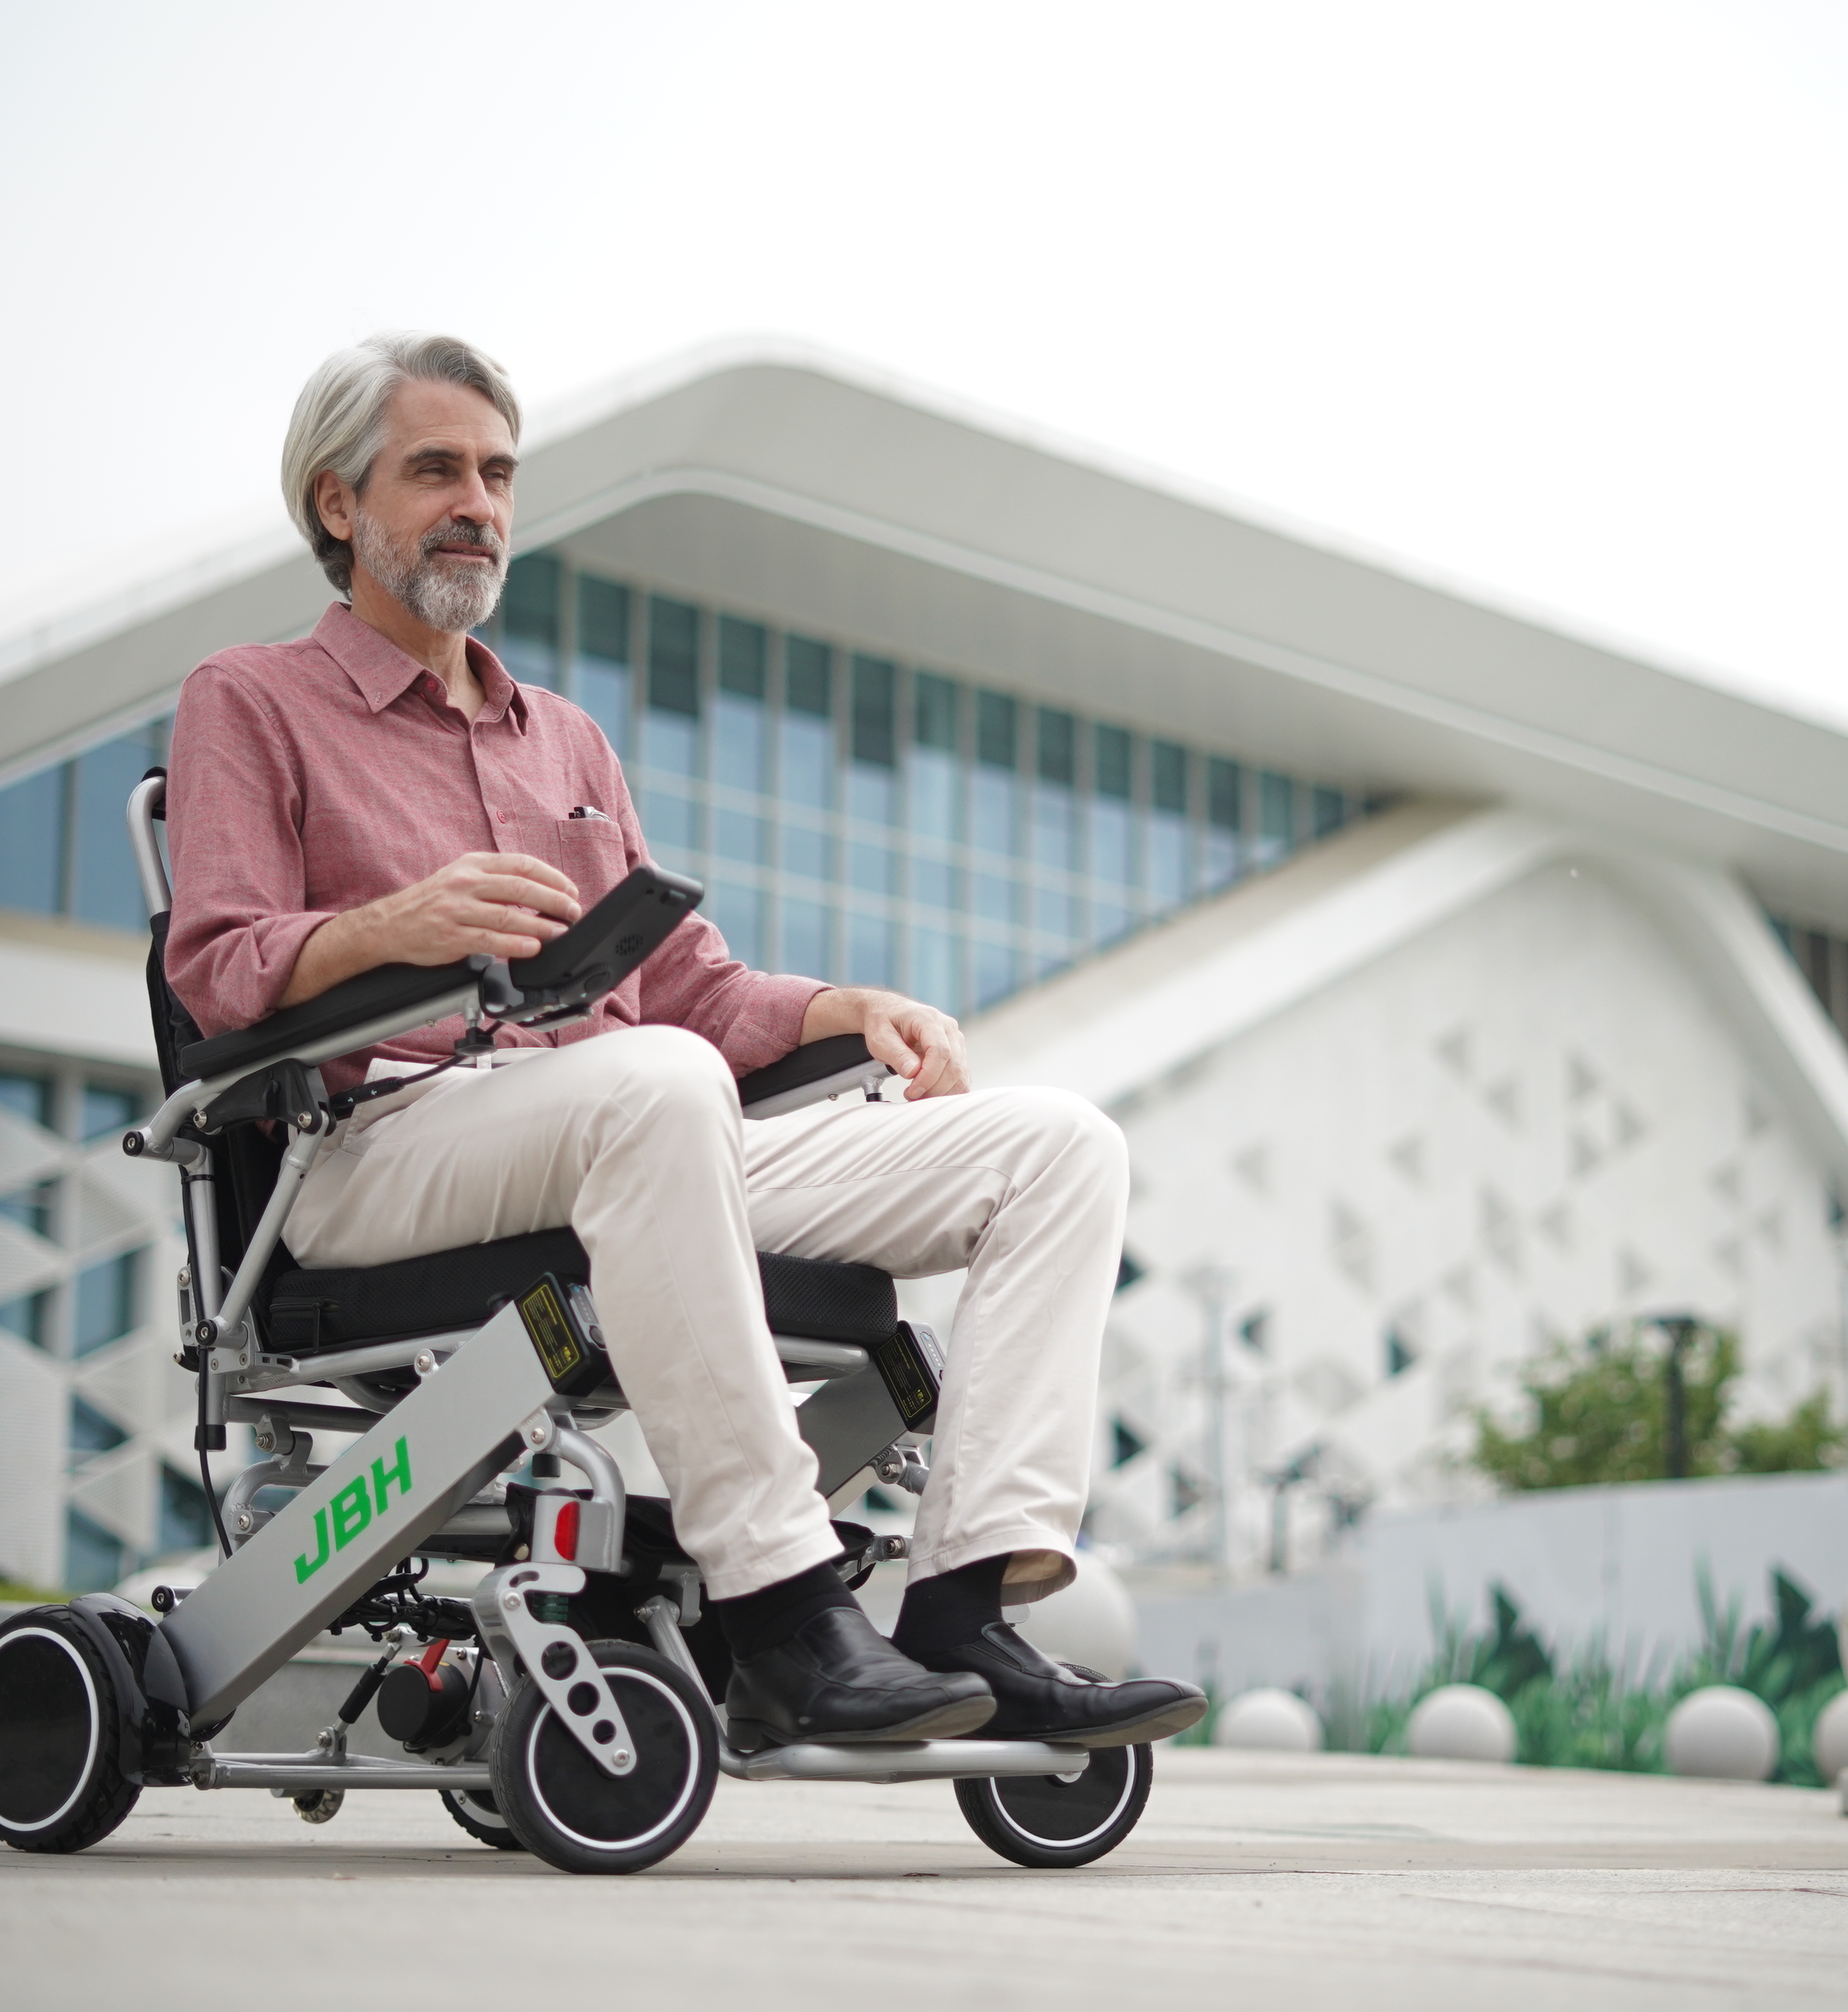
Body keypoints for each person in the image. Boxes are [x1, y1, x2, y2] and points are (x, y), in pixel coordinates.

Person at [165, 332, 1202, 1754]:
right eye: (435, 470)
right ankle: (780, 1607)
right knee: (658, 1084)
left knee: (1058, 1147)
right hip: (375, 1149)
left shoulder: (564, 742)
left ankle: (964, 1605)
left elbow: (686, 990)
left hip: (633, 1124)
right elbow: (217, 971)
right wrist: (387, 929)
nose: (477, 503)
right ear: (338, 504)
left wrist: (843, 1011)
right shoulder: (249, 698)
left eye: (497, 474)